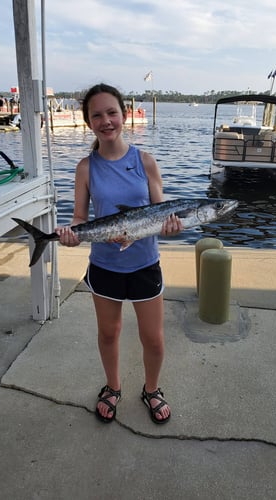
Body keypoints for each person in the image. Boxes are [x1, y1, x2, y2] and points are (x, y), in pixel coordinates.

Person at [56, 83, 182, 424]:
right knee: (109, 333)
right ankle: (113, 387)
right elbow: (80, 218)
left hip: (144, 264)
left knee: (153, 338)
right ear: (88, 122)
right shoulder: (85, 167)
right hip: (105, 265)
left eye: (112, 112)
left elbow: (162, 211)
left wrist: (172, 226)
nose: (106, 120)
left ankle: (152, 389)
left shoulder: (145, 161)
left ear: (124, 115)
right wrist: (71, 234)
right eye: (97, 115)